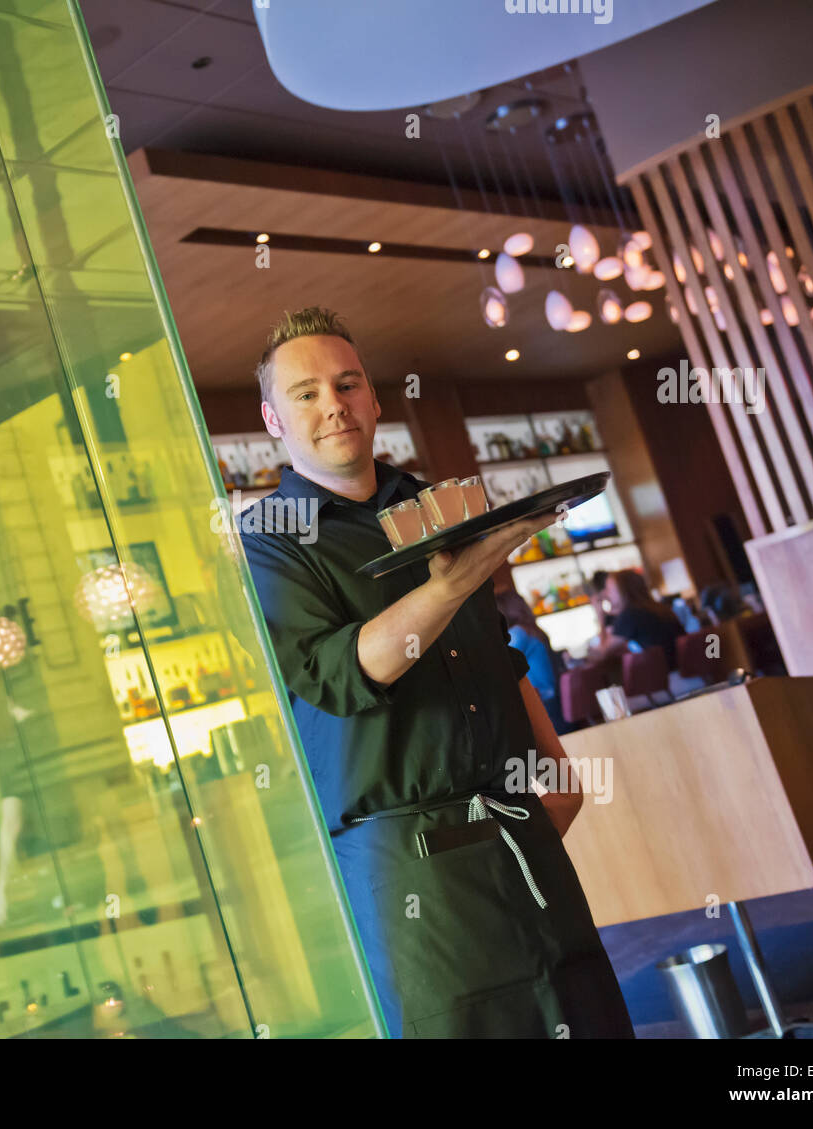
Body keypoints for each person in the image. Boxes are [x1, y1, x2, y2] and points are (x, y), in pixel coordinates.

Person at [236, 307, 634, 1038]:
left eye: (348, 383)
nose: (334, 403)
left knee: (588, 1014)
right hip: (407, 861)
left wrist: (558, 771)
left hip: (517, 826)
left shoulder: (435, 504)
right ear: (272, 418)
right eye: (307, 392)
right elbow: (337, 674)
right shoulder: (269, 538)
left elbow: (497, 650)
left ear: (375, 398)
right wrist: (447, 586)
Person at [495, 589, 573, 735]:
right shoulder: (532, 629)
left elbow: (498, 665)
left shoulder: (518, 633)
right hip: (554, 702)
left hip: (544, 707)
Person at [587, 569, 683, 668]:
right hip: (686, 673)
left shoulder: (630, 615)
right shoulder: (657, 608)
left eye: (609, 589)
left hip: (668, 678)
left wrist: (600, 616)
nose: (605, 594)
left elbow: (602, 654)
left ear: (623, 590)